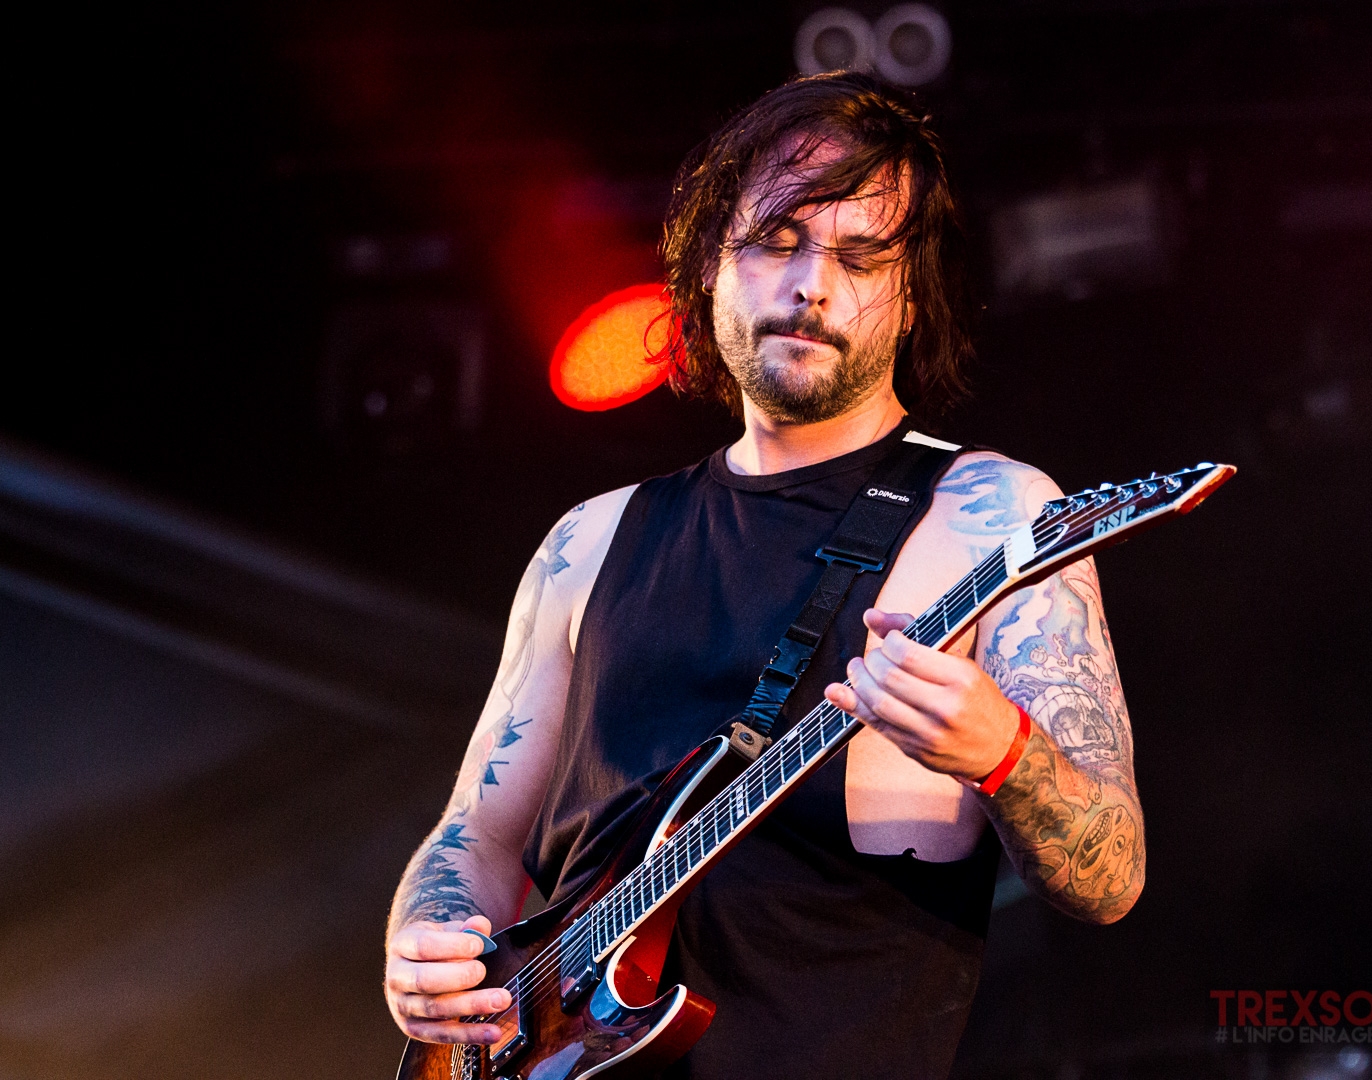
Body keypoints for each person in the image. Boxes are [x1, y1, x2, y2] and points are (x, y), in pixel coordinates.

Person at [384, 72, 1144, 1078]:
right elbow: (476, 837)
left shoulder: (993, 517)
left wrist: (1000, 750)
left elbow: (1111, 873)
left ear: (912, 299)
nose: (812, 285)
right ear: (710, 265)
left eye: (861, 257)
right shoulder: (592, 539)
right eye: (777, 242)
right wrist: (429, 949)